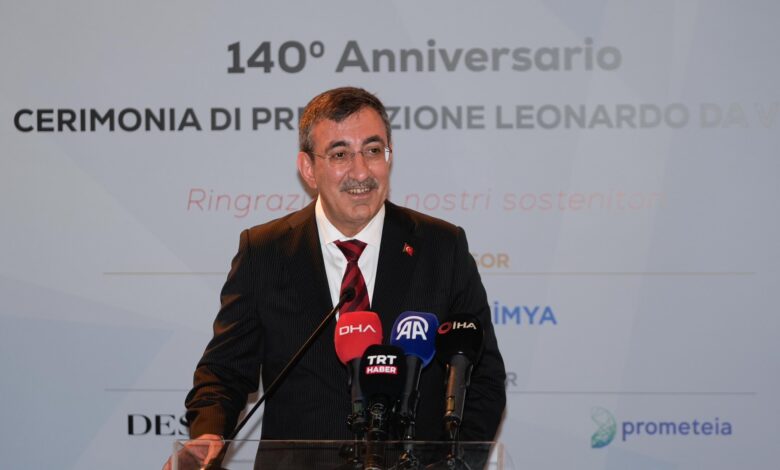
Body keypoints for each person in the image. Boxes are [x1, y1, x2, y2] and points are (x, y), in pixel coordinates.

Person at [167, 87, 505, 468]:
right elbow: (224, 372)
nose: (361, 172)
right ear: (308, 169)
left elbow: (484, 379)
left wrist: (455, 464)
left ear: (389, 156)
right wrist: (209, 433)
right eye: (340, 154)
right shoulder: (265, 252)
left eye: (373, 150)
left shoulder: (441, 247)